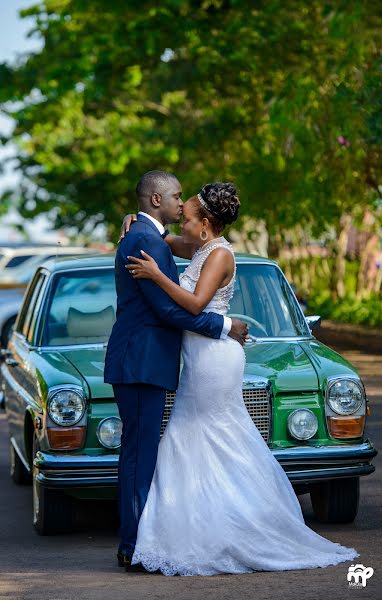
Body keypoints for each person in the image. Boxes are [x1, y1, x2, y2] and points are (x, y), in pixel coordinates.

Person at [120, 181, 360, 576]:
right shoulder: (200, 247)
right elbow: (162, 239)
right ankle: (202, 527)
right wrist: (135, 221)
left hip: (214, 357)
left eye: (189, 214)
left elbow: (196, 304)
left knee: (211, 434)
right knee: (194, 437)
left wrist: (156, 276)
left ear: (205, 225)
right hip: (199, 356)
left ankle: (238, 526)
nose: (182, 217)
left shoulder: (218, 256)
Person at [104, 171, 249, 571]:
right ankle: (131, 546)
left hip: (159, 362)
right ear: (155, 200)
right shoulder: (143, 239)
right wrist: (225, 327)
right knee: (140, 454)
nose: (181, 204)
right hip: (140, 362)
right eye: (176, 196)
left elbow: (185, 286)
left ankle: (145, 540)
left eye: (188, 203)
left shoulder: (157, 239)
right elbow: (168, 309)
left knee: (156, 450)